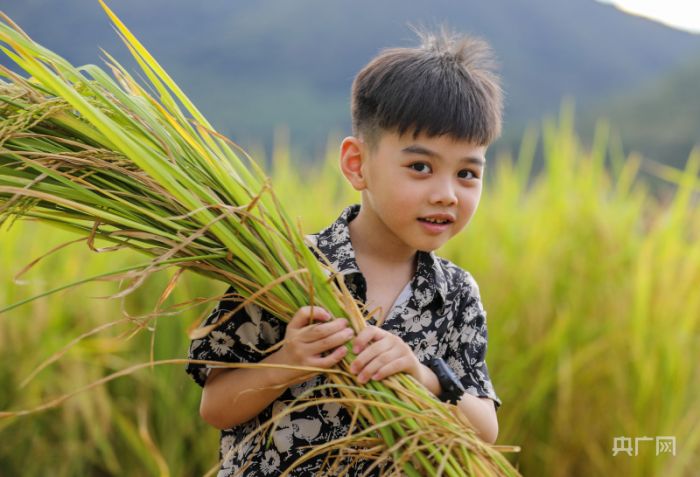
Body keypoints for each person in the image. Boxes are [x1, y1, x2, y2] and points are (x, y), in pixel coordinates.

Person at [186, 27, 503, 476]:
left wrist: (422, 374)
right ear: (358, 164)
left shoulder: (456, 294)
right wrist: (289, 361)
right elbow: (215, 406)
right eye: (420, 167)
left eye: (468, 174)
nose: (447, 194)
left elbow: (484, 429)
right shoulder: (286, 267)